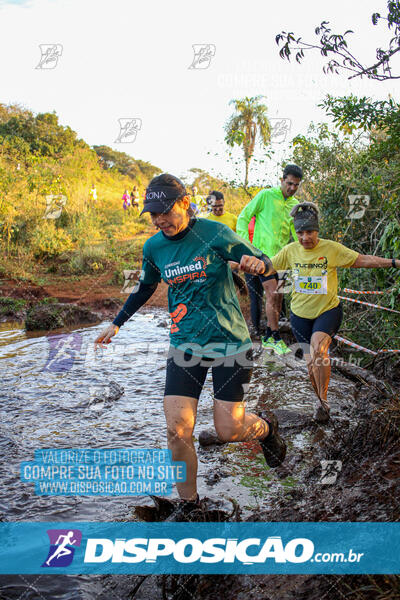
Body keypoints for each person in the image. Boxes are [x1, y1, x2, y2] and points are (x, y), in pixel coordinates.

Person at [94, 173, 287, 520]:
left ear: (184, 202)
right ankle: (190, 506)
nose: (159, 220)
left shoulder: (214, 233)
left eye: (164, 211)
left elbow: (265, 263)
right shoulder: (154, 247)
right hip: (185, 345)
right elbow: (143, 288)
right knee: (176, 430)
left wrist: (259, 265)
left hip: (231, 344)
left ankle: (268, 429)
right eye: (153, 215)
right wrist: (116, 322)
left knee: (229, 430)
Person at [264, 201, 400, 423]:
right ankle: (319, 401)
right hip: (299, 315)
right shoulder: (290, 251)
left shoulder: (331, 249)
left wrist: (394, 262)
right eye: (300, 232)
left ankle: (324, 401)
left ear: (317, 230)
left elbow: (362, 260)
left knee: (319, 349)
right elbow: (267, 266)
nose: (305, 237)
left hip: (327, 311)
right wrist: (236, 263)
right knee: (310, 364)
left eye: (309, 232)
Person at [237, 164, 303, 355]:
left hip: (283, 257)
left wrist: (302, 252)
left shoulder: (294, 205)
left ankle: (268, 335)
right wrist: (245, 245)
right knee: (272, 294)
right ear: (282, 180)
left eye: (296, 185)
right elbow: (244, 216)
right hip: (261, 255)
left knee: (280, 296)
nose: (291, 188)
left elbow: (296, 233)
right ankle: (272, 336)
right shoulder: (265, 195)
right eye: (289, 183)